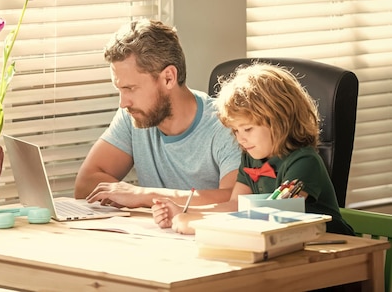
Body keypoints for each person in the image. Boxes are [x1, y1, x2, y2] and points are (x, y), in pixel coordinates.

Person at [151, 62, 354, 236]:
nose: (241, 138)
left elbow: (274, 215)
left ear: (279, 120)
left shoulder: (304, 162)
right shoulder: (251, 158)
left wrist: (198, 222)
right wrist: (186, 211)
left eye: (247, 128)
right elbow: (235, 206)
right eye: (235, 131)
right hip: (289, 247)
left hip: (334, 251)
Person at [73, 19, 241, 209]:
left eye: (130, 88)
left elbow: (235, 200)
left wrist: (144, 195)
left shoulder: (226, 125)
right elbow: (86, 183)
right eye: (120, 89)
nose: (123, 102)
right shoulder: (133, 115)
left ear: (168, 78)